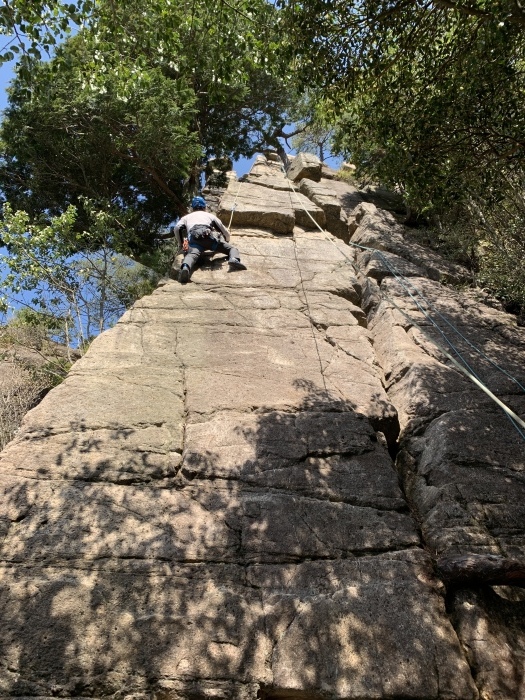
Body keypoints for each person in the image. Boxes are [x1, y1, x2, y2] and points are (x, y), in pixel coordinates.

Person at [175, 196, 246, 283]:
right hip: (210, 239)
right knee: (232, 249)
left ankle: (185, 267)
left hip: (195, 241)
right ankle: (234, 259)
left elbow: (177, 228)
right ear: (204, 207)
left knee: (191, 255)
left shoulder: (186, 217)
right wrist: (226, 240)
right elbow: (223, 230)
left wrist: (181, 244)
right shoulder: (209, 216)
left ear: (192, 208)